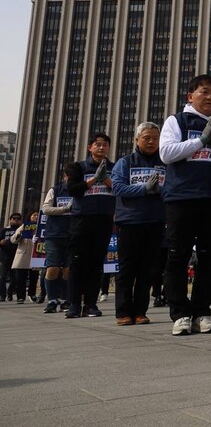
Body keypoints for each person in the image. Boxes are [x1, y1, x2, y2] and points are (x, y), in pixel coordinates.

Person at [160, 75, 211, 337]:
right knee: (178, 255)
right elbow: (167, 153)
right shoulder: (177, 121)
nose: (210, 98)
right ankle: (180, 313)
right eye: (204, 92)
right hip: (182, 197)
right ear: (190, 96)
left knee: (210, 257)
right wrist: (200, 141)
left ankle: (202, 312)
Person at [111, 122, 166, 326]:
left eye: (155, 138)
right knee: (127, 269)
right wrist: (144, 189)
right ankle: (123, 312)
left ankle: (141, 311)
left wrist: (161, 190)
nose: (151, 142)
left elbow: (172, 187)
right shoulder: (125, 163)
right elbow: (118, 188)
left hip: (156, 221)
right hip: (129, 222)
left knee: (148, 270)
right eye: (147, 138)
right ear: (137, 140)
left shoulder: (165, 162)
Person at [65, 133, 116, 319]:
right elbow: (72, 190)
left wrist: (107, 180)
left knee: (96, 264)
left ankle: (91, 304)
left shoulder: (115, 167)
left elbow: (120, 189)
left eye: (105, 145)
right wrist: (94, 179)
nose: (101, 148)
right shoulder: (78, 167)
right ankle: (74, 305)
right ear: (90, 147)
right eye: (97, 144)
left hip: (104, 219)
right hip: (81, 220)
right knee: (78, 262)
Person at [41, 164, 82, 312]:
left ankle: (65, 299)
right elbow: (45, 209)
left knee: (67, 269)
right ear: (64, 177)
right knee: (52, 268)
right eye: (68, 176)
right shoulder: (55, 190)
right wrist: (65, 209)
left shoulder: (80, 191)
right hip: (54, 235)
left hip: (73, 235)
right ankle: (51, 299)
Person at [10, 212, 40, 303]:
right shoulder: (24, 226)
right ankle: (20, 296)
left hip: (35, 254)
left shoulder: (41, 226)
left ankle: (32, 294)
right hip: (23, 254)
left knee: (34, 277)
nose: (36, 217)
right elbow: (13, 239)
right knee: (21, 278)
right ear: (29, 217)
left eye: (38, 215)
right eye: (34, 215)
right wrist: (20, 235)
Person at [1, 213, 23, 301]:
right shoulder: (4, 230)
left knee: (15, 278)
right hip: (4, 257)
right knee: (2, 277)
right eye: (14, 218)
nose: (16, 220)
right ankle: (2, 295)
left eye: (18, 218)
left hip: (16, 257)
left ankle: (10, 293)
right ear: (10, 220)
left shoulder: (21, 230)